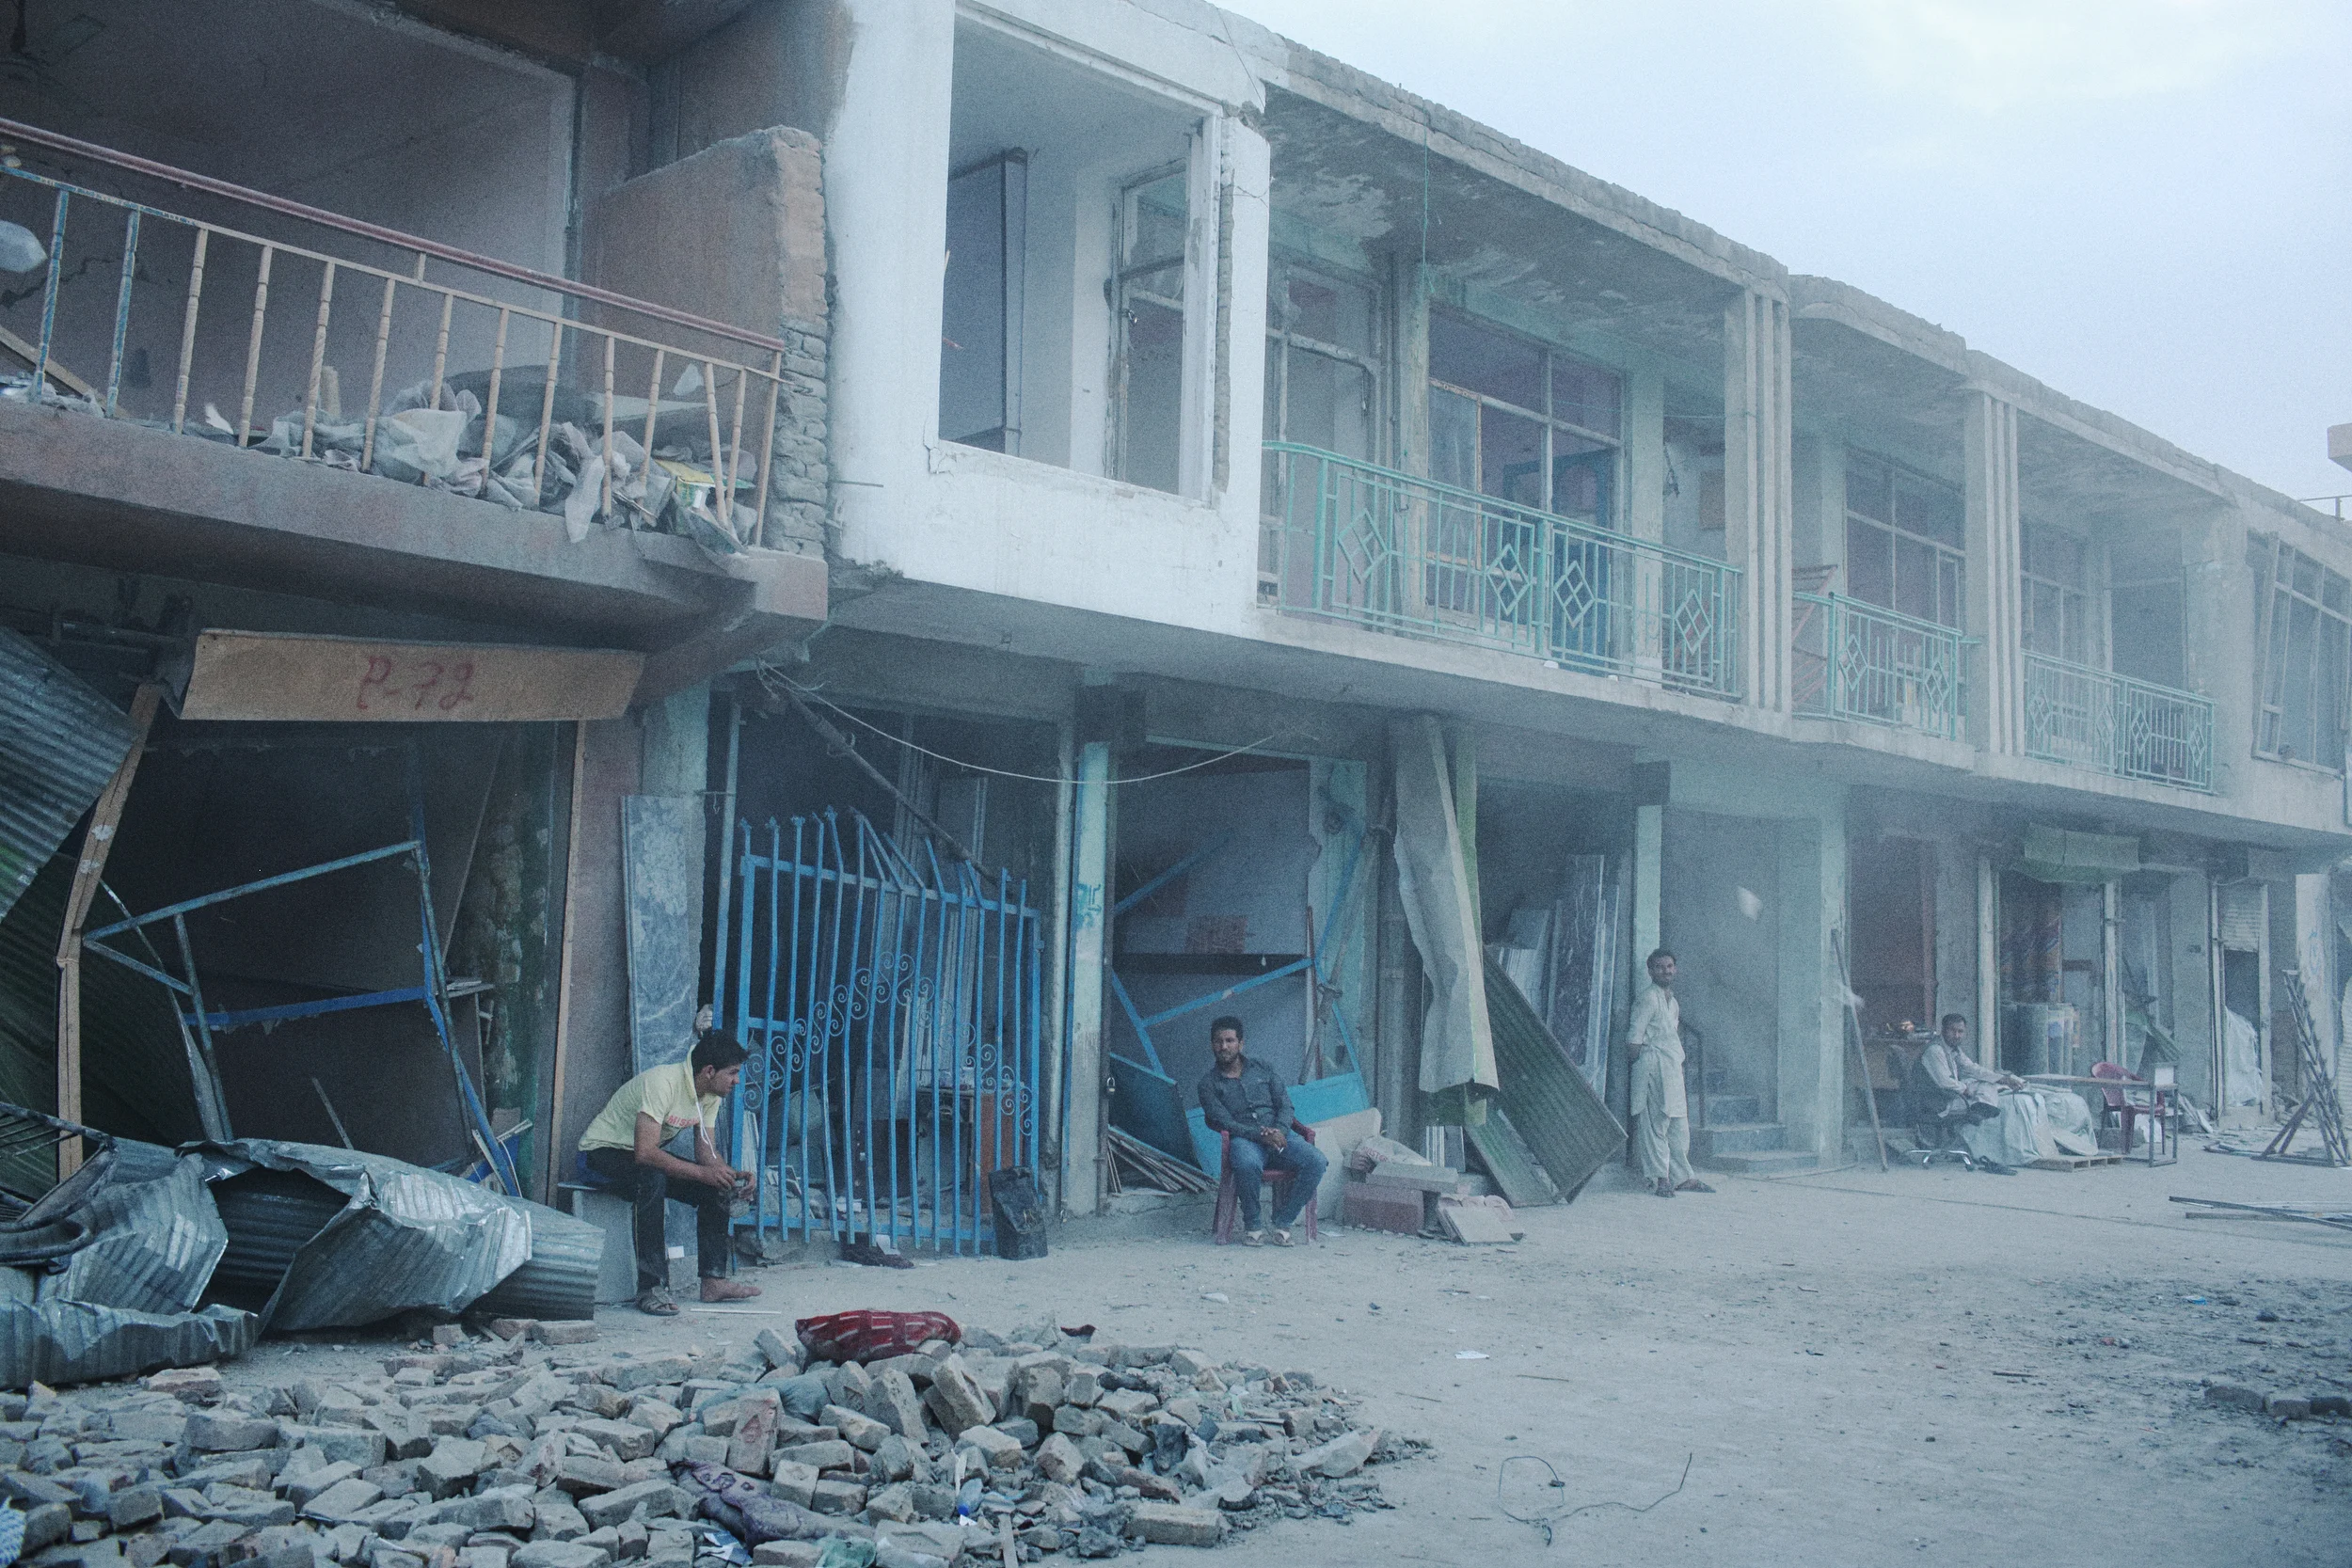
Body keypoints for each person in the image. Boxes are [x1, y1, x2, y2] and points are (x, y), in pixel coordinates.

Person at [580, 1026, 763, 1315]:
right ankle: (650, 1287)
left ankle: (713, 1282)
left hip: (639, 1157)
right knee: (651, 1177)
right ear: (709, 1071)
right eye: (733, 1073)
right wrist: (704, 1173)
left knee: (717, 1186)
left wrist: (732, 1175)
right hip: (599, 1154)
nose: (737, 1081)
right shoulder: (663, 1082)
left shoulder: (710, 1096)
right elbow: (646, 1153)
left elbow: (706, 1153)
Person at [1196, 1015, 1327, 1245]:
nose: (1224, 1046)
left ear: (1241, 1044)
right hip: (1245, 1140)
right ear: (1211, 1045)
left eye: (1229, 1040)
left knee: (1317, 1160)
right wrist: (1260, 1136)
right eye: (1218, 1041)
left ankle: (1283, 1222)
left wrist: (1281, 1131)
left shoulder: (1263, 1069)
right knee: (1246, 1163)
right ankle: (1253, 1225)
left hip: (1280, 1136)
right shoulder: (1208, 1085)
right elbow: (1224, 1121)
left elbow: (1285, 1105)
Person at [1628, 947, 1711, 1197]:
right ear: (1651, 970)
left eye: (1669, 967)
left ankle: (1683, 1178)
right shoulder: (1647, 999)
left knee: (1678, 1125)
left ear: (1675, 969)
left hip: (1672, 1068)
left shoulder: (1672, 1002)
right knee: (1655, 1124)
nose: (1665, 971)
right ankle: (1659, 1179)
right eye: (1659, 967)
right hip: (1653, 1066)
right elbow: (1633, 1040)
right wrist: (1643, 1067)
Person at [1920, 1012, 2023, 1120]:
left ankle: (1980, 1108)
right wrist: (1965, 1089)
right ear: (1943, 1029)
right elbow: (1944, 1082)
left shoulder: (1953, 1048)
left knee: (1987, 1084)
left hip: (1950, 1094)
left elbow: (1972, 1068)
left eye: (1960, 1031)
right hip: (1937, 1103)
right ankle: (1979, 1109)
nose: (1956, 1035)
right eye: (1952, 1030)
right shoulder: (1935, 1050)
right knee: (1982, 1092)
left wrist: (2003, 1079)